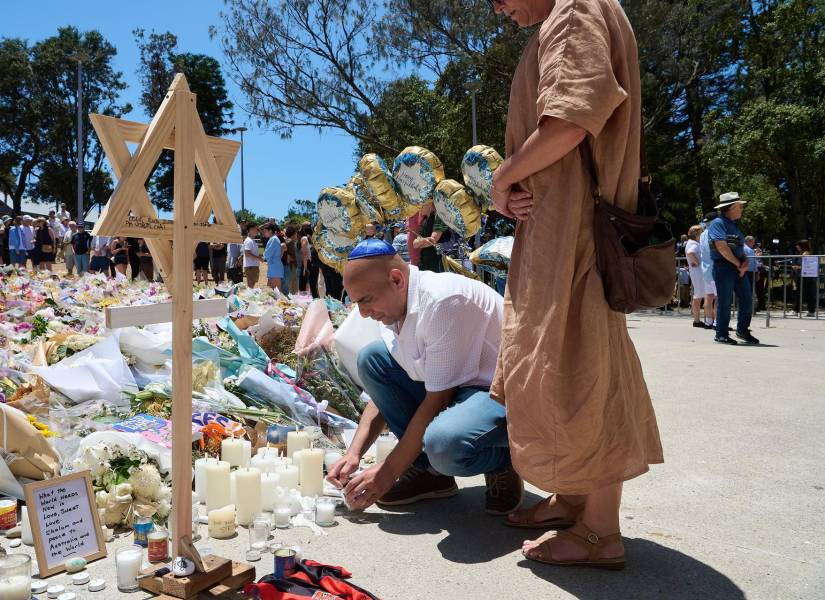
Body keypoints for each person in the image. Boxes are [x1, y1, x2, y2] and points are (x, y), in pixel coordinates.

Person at [488, 0, 663, 569]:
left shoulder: (574, 10)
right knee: (563, 369)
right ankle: (573, 499)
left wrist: (503, 178)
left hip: (576, 235)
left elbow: (570, 120)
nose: (496, 7)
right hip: (560, 232)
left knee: (586, 369)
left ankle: (600, 533)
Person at [328, 239, 521, 516]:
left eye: (366, 300)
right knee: (371, 359)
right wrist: (353, 453)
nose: (363, 313)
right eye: (356, 302)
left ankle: (503, 461)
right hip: (457, 388)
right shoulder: (396, 306)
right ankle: (430, 473)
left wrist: (387, 473)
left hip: (497, 392)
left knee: (443, 443)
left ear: (397, 279)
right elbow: (381, 398)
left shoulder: (442, 301)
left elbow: (437, 401)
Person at [708, 192, 758, 345]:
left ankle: (742, 330)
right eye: (739, 206)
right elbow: (721, 247)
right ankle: (721, 334)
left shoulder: (733, 225)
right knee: (725, 301)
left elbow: (739, 247)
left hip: (736, 268)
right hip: (724, 268)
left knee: (747, 299)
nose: (741, 209)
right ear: (730, 208)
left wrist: (745, 262)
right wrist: (738, 264)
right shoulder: (718, 223)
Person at [685, 225, 712, 328]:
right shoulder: (695, 244)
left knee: (698, 296)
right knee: (699, 296)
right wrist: (696, 262)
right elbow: (690, 253)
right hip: (698, 273)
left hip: (696, 273)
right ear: (697, 234)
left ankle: (697, 320)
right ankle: (697, 320)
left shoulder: (691, 243)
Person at [414, 203, 451, 273]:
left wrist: (420, 242)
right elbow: (414, 244)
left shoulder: (440, 217)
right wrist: (422, 241)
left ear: (430, 204)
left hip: (438, 259)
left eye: (422, 205)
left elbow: (433, 240)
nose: (419, 207)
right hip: (425, 259)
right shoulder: (424, 220)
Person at [699, 212, 718, 328]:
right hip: (715, 268)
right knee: (719, 297)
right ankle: (717, 322)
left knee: (708, 296)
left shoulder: (702, 235)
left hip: (705, 269)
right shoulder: (715, 232)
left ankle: (708, 321)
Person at [795, 239, 818, 317]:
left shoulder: (805, 254)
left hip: (804, 276)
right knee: (809, 293)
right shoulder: (806, 253)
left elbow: (806, 266)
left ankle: (796, 310)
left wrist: (797, 267)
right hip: (808, 276)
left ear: (802, 246)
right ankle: (811, 311)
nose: (797, 246)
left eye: (798, 245)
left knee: (801, 293)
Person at [299, 223, 321, 297]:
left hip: (307, 263)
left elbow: (304, 253)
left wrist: (305, 268)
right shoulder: (314, 238)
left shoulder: (304, 238)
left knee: (302, 285)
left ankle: (303, 300)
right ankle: (315, 300)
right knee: (313, 285)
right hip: (314, 263)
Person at [262, 223, 283, 290]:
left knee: (276, 291)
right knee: (271, 290)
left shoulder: (274, 239)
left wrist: (262, 256)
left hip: (275, 268)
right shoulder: (273, 238)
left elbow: (267, 253)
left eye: (265, 231)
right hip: (273, 267)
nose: (264, 233)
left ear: (270, 231)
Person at [281, 224, 299, 294]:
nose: (297, 235)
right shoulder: (290, 242)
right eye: (296, 233)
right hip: (291, 265)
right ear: (293, 233)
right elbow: (288, 255)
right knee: (293, 282)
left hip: (287, 265)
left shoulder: (286, 240)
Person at [243, 223, 261, 288]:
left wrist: (259, 257)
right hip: (251, 266)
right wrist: (258, 258)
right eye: (256, 229)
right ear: (250, 230)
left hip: (252, 265)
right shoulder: (249, 241)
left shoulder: (251, 240)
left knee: (251, 285)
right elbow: (247, 253)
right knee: (251, 285)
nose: (257, 231)